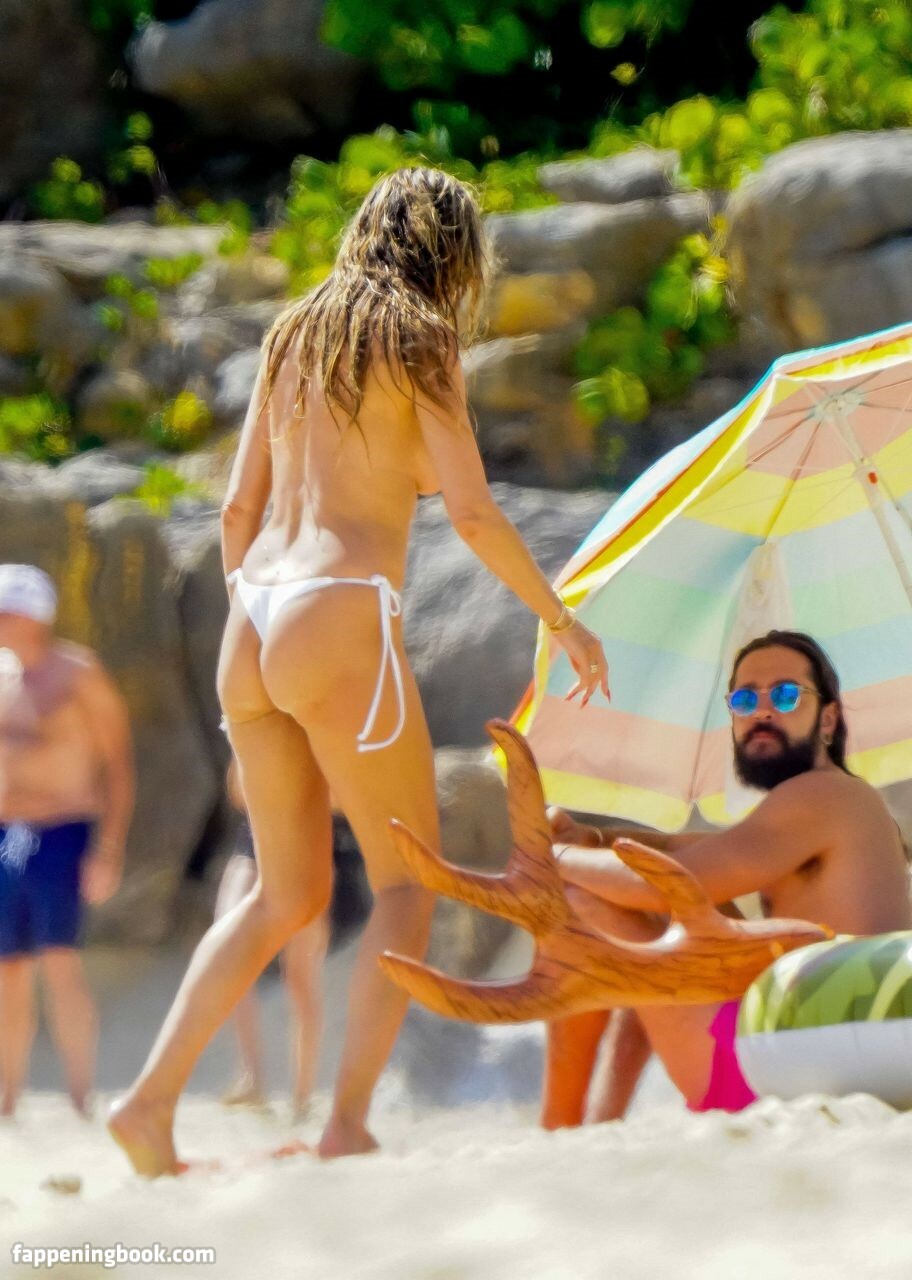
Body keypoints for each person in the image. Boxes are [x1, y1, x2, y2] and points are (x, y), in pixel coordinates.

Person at [109, 166, 610, 1173]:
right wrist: (559, 617)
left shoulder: (292, 332)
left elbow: (237, 509)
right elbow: (471, 511)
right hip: (340, 608)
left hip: (252, 616)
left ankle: (149, 1103)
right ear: (453, 255)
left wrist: (262, 614)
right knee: (406, 883)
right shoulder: (422, 339)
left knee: (280, 893)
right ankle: (345, 1123)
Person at [548, 630, 911, 1115]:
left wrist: (551, 858)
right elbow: (689, 851)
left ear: (828, 718)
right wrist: (590, 839)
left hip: (796, 1063)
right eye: (744, 699)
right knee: (683, 932)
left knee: (580, 902)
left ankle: (559, 1122)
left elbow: (661, 882)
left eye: (785, 694)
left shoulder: (820, 796)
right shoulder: (839, 801)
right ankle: (603, 1119)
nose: (763, 711)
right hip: (837, 1051)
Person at [0, 564, 134, 1116]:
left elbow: (118, 763)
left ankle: (81, 1095)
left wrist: (109, 850)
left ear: (33, 616)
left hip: (63, 830)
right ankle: (8, 1098)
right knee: (8, 969)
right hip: (8, 835)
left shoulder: (79, 673)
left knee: (59, 962)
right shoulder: (2, 674)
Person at [216, 757, 328, 1116]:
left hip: (308, 849)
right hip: (255, 844)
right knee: (230, 955)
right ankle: (250, 1077)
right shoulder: (256, 728)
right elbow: (237, 793)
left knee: (300, 975)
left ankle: (302, 1095)